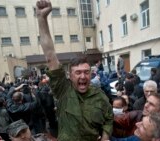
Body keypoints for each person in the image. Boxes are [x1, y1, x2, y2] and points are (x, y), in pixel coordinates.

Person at [36, 0, 113, 140]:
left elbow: (108, 118)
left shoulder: (100, 97)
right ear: (70, 76)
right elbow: (50, 55)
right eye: (78, 72)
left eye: (86, 72)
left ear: (91, 74)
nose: (83, 76)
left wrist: (106, 136)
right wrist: (42, 19)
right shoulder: (63, 90)